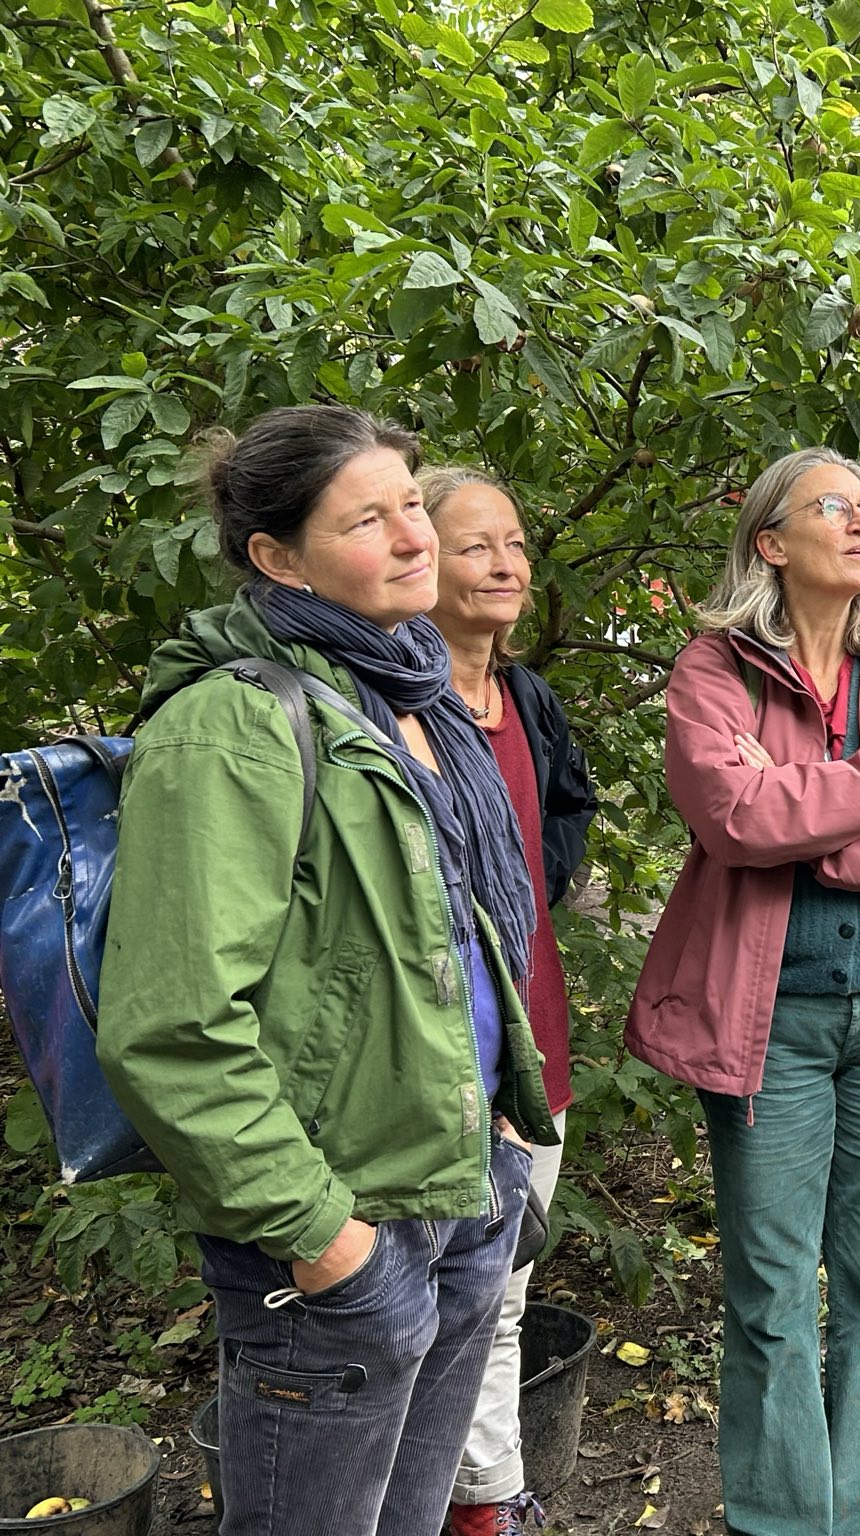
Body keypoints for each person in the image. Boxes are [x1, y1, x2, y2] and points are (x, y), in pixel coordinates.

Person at [97, 405, 555, 1536]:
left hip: (457, 1187)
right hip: (340, 1222)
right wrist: (321, 1236)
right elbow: (171, 1025)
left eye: (413, 505)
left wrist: (502, 1132)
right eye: (369, 520)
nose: (415, 539)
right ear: (276, 557)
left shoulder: (417, 701)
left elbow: (461, 942)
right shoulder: (233, 724)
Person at [625, 446, 860, 1536]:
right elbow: (730, 815)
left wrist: (810, 824)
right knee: (771, 1293)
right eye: (830, 505)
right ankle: (783, 1524)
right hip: (765, 1025)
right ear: (770, 543)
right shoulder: (715, 669)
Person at [422, 465, 598, 1536]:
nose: (504, 562)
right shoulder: (392, 710)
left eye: (516, 542)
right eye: (474, 543)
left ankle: (484, 1497)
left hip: (539, 1046)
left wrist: (529, 890)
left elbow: (567, 801)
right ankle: (457, 1501)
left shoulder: (525, 697)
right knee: (427, 1299)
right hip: (441, 1053)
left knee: (506, 1288)